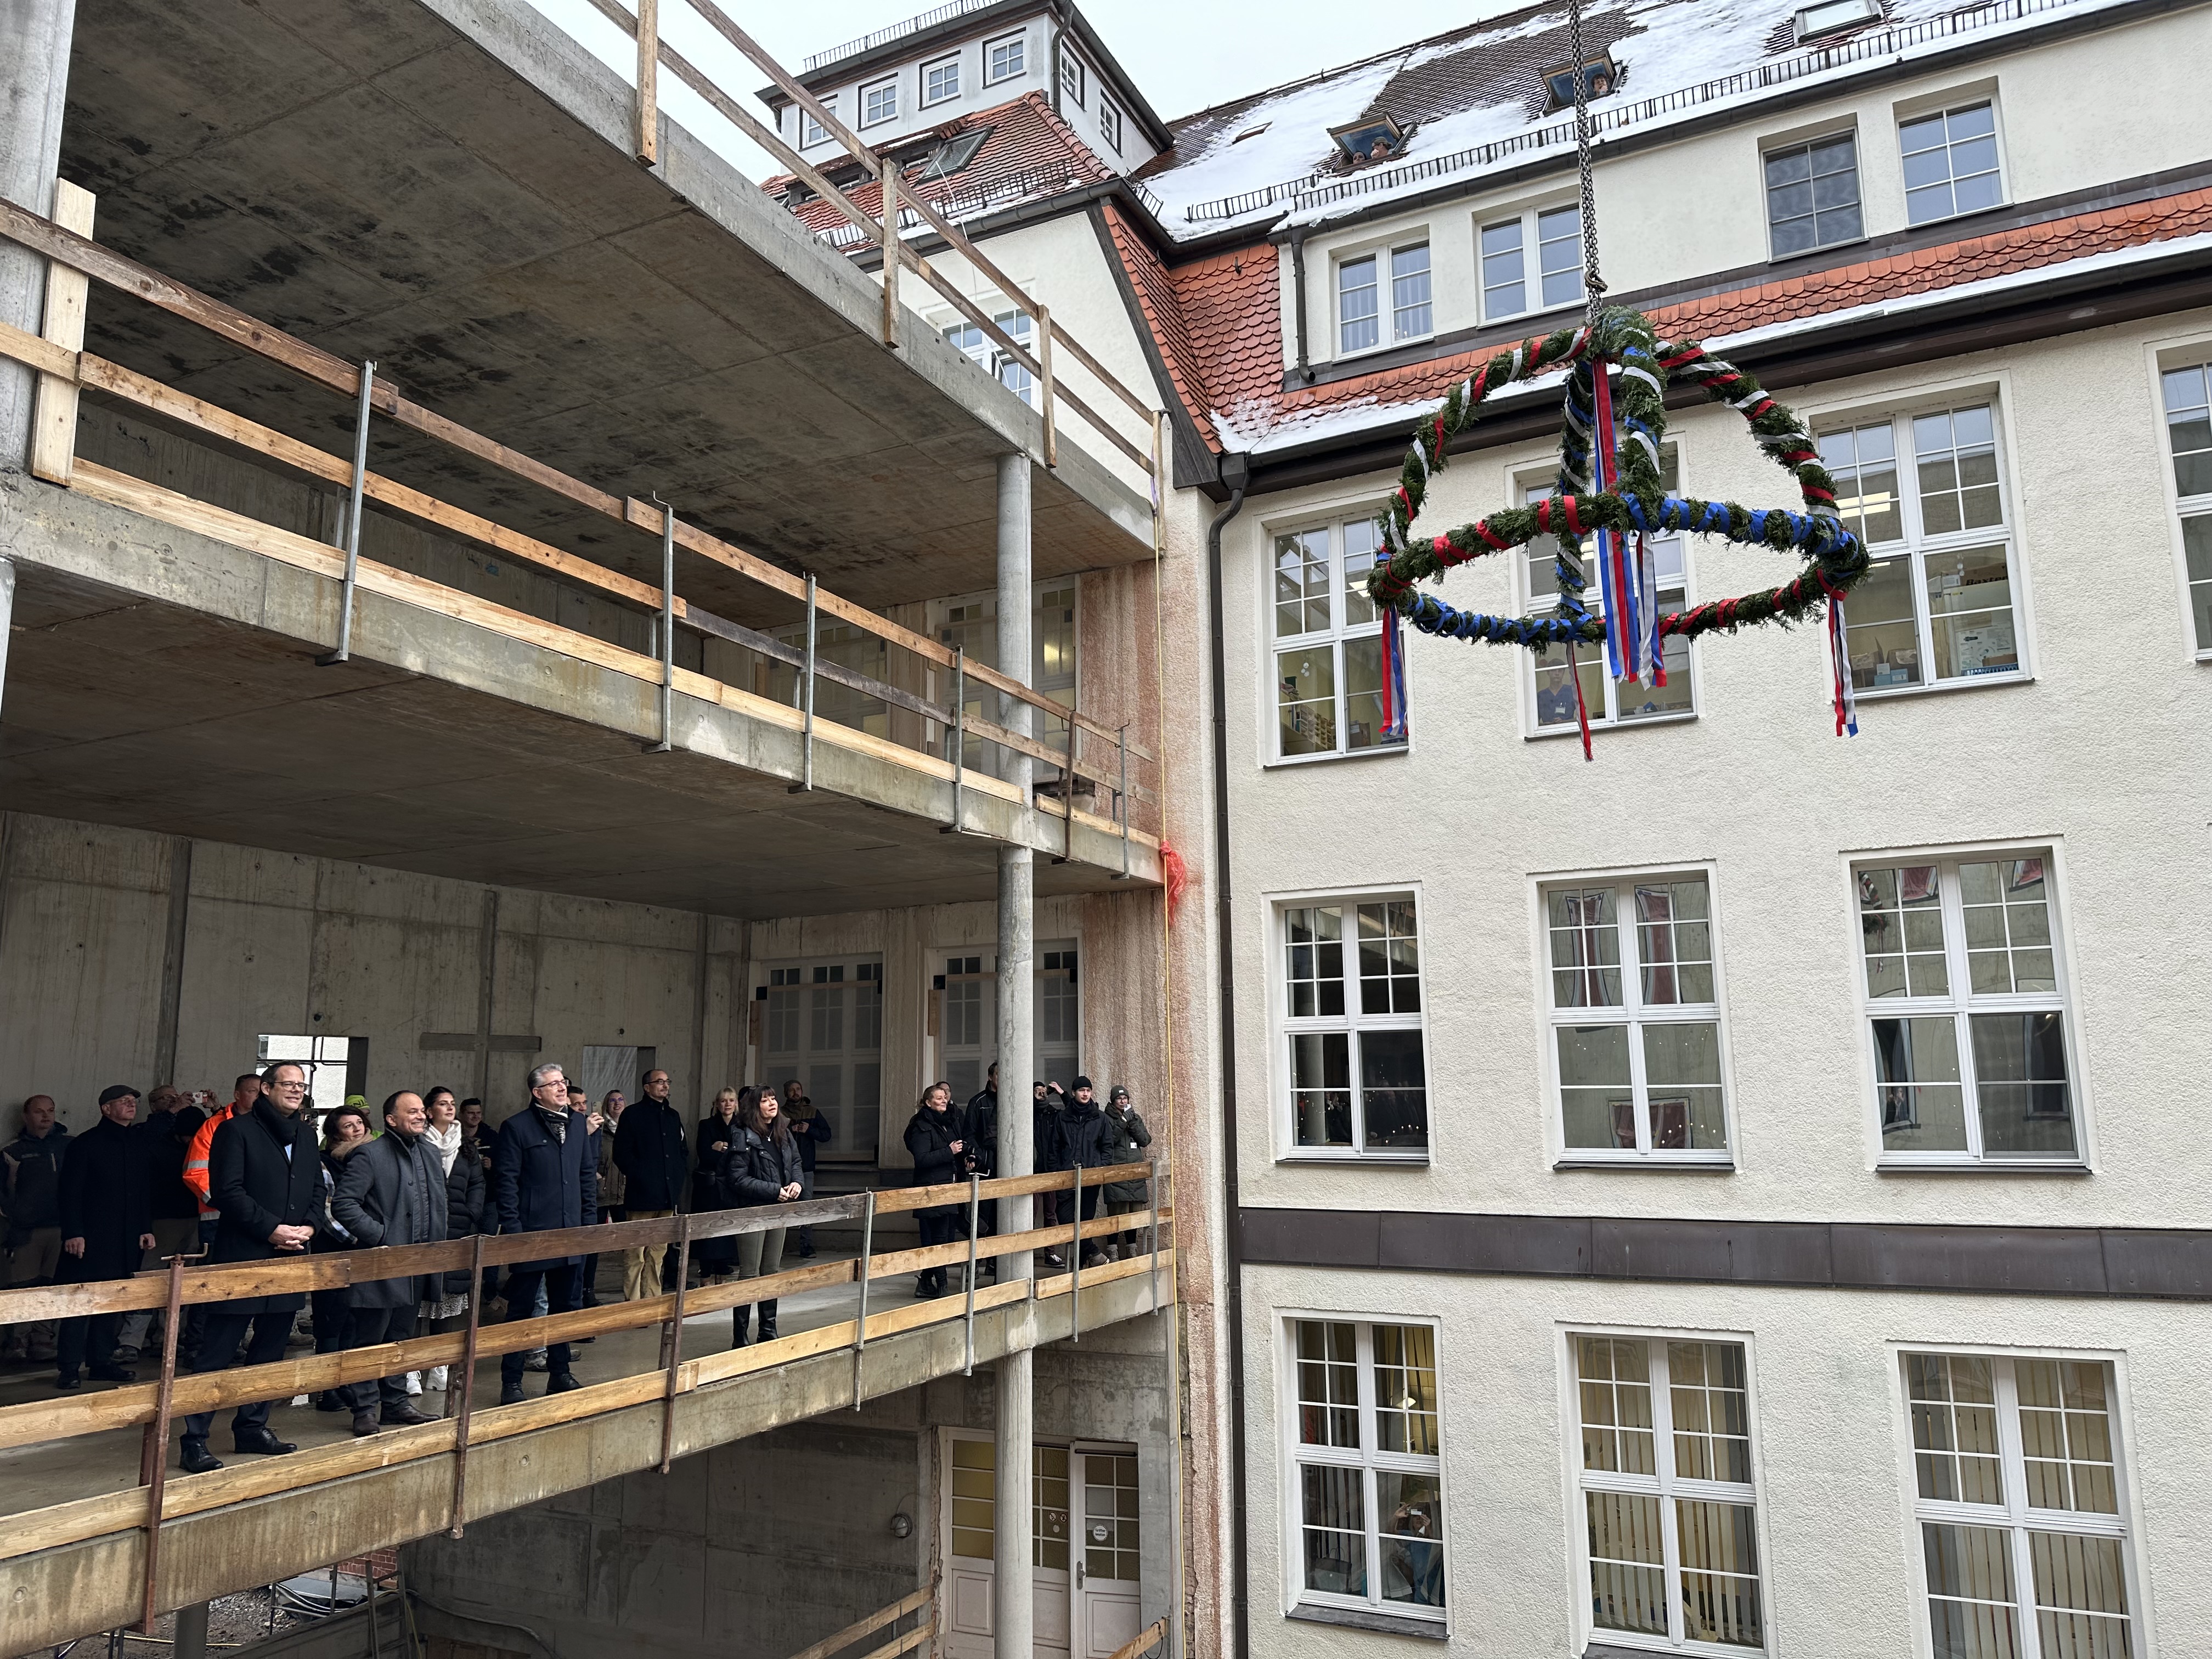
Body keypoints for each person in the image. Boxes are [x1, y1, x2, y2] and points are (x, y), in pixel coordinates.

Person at [178, 1062, 321, 1474]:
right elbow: (228, 1192)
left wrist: (309, 1226)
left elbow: (316, 1187)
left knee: (270, 1351)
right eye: (287, 1084)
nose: (295, 1090)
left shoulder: (307, 1135)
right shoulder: (236, 1131)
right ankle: (194, 1440)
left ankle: (252, 1427)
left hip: (291, 1257)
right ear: (266, 1089)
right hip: (243, 1257)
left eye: (301, 1085)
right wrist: (271, 1229)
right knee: (218, 1351)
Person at [330, 1091, 448, 1438]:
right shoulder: (370, 1154)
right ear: (391, 1120)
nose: (421, 1116)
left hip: (419, 1262)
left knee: (401, 1337)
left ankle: (396, 1404)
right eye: (412, 1112)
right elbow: (344, 1204)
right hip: (382, 1263)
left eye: (422, 1111)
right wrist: (380, 1235)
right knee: (370, 1339)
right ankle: (365, 1410)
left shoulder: (429, 1151)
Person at [492, 1062, 596, 1405]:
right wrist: (515, 1233)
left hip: (571, 1232)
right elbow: (506, 1183)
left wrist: (588, 1225)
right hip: (532, 1234)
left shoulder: (577, 1123)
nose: (562, 1088)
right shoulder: (517, 1127)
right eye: (554, 1084)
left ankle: (560, 1374)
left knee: (565, 1308)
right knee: (521, 1310)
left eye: (563, 1082)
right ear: (537, 1092)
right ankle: (512, 1381)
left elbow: (586, 1175)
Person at [53, 1085, 156, 1390]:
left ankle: (100, 1362)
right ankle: (69, 1368)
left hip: (124, 1238)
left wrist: (145, 1227)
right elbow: (69, 1192)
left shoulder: (137, 1143)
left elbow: (142, 1191)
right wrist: (74, 1232)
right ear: (106, 1109)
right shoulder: (85, 1144)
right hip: (88, 1238)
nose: (131, 1105)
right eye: (123, 1101)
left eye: (133, 1101)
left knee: (111, 1302)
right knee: (80, 1302)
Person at [115, 1091, 207, 1362]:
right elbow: (144, 1139)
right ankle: (131, 1341)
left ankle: (169, 1339)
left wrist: (216, 1108)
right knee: (149, 1280)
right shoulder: (153, 1143)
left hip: (194, 1220)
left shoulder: (202, 1145)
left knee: (182, 1285)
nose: (192, 1141)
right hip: (162, 1222)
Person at [422, 1085, 488, 1392]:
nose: (450, 1108)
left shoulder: (466, 1146)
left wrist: (470, 1212)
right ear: (429, 1111)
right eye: (443, 1104)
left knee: (449, 1298)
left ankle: (440, 1369)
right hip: (425, 1232)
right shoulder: (418, 1142)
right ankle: (411, 1372)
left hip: (458, 1230)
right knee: (420, 1299)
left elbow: (477, 1184)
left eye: (452, 1103)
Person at [308, 1103, 373, 1413]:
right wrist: (360, 1237)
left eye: (359, 1123)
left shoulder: (372, 1157)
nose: (357, 1129)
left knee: (355, 1318)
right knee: (330, 1320)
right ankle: (326, 1390)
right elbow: (327, 1210)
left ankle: (348, 1383)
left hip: (366, 1249)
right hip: (334, 1250)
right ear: (335, 1134)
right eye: (348, 1126)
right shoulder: (325, 1163)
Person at [726, 1085, 803, 1346]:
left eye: (773, 1098)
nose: (772, 1103)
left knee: (771, 1272)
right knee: (749, 1273)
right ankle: (740, 1337)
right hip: (753, 1211)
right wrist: (773, 1190)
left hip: (779, 1210)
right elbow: (737, 1178)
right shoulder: (742, 1133)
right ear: (754, 1106)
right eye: (765, 1100)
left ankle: (768, 1330)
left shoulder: (783, 1129)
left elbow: (796, 1162)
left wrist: (797, 1183)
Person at [3, 1093, 71, 1365]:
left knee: (52, 1285)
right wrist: (16, 1217)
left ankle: (43, 1340)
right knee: (22, 1285)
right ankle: (17, 1341)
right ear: (26, 1116)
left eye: (51, 1111)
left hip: (62, 1228)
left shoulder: (69, 1146)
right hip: (26, 1231)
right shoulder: (12, 1151)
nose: (46, 1116)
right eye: (39, 1111)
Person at [612, 1068, 686, 1301]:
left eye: (667, 1081)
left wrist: (677, 1178)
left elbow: (681, 1152)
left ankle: (652, 1300)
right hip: (642, 1195)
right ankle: (633, 1303)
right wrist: (641, 1176)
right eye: (659, 1082)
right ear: (647, 1087)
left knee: (658, 1253)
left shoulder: (673, 1116)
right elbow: (621, 1153)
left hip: (667, 1196)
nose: (665, 1086)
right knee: (636, 1252)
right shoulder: (633, 1114)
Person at [902, 1082, 972, 1300]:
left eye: (945, 1097)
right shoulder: (921, 1126)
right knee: (939, 1240)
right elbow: (922, 1159)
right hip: (932, 1191)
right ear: (928, 1102)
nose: (944, 1100)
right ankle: (942, 1286)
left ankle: (925, 1282)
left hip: (951, 1188)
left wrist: (967, 1157)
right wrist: (949, 1151)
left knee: (945, 1239)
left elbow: (958, 1148)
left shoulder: (949, 1121)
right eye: (939, 1098)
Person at [1053, 1077, 1114, 1269]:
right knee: (1065, 1218)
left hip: (1090, 1177)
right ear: (1073, 1093)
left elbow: (1107, 1147)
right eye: (1081, 1090)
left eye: (1088, 1090)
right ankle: (1094, 1253)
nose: (1085, 1094)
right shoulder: (1062, 1117)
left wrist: (1099, 1168)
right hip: (1066, 1176)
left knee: (1085, 1220)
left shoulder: (1100, 1118)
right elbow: (1055, 1147)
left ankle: (1078, 1266)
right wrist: (1057, 1171)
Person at [693, 1088, 742, 1284]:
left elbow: (743, 1155)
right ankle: (705, 1274)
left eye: (731, 1100)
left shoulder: (743, 1126)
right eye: (723, 1101)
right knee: (707, 1231)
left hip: (732, 1185)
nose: (727, 1104)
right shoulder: (706, 1125)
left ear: (736, 1104)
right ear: (717, 1104)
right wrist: (730, 1153)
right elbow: (704, 1154)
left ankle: (723, 1274)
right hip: (710, 1187)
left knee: (726, 1231)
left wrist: (723, 1147)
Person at [1099, 1085, 1154, 1260]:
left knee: (1134, 1215)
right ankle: (1113, 1250)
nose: (1123, 1102)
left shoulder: (1134, 1117)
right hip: (1117, 1174)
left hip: (1135, 1174)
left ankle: (1132, 1249)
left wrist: (1132, 1122)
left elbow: (1145, 1140)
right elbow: (1109, 1140)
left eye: (1125, 1099)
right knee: (1116, 1214)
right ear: (1113, 1101)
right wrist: (1123, 1121)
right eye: (1119, 1099)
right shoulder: (1106, 1118)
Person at [782, 1079, 833, 1259]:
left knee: (807, 1205)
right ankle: (776, 1247)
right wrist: (791, 1129)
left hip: (806, 1167)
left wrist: (809, 1129)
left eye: (798, 1089)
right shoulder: (780, 1113)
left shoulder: (812, 1112)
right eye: (791, 1090)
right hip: (783, 1167)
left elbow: (826, 1135)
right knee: (780, 1205)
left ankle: (806, 1245)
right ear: (786, 1093)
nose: (795, 1093)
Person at [964, 1065, 1000, 1272]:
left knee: (999, 1218)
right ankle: (975, 1261)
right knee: (981, 1218)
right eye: (998, 1074)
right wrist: (980, 1156)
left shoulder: (1012, 1099)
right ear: (990, 1077)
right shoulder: (978, 1102)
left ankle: (994, 1262)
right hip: (984, 1168)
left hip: (1005, 1168)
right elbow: (969, 1134)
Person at [1034, 1080, 1068, 1268]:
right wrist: (1033, 1099)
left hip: (1051, 1170)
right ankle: (1025, 1253)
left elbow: (1073, 1110)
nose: (1041, 1093)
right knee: (1028, 1214)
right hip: (1032, 1171)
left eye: (1043, 1090)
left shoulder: (1053, 1115)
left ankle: (1050, 1253)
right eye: (1036, 1090)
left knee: (1050, 1214)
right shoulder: (1027, 1112)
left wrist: (1060, 1093)